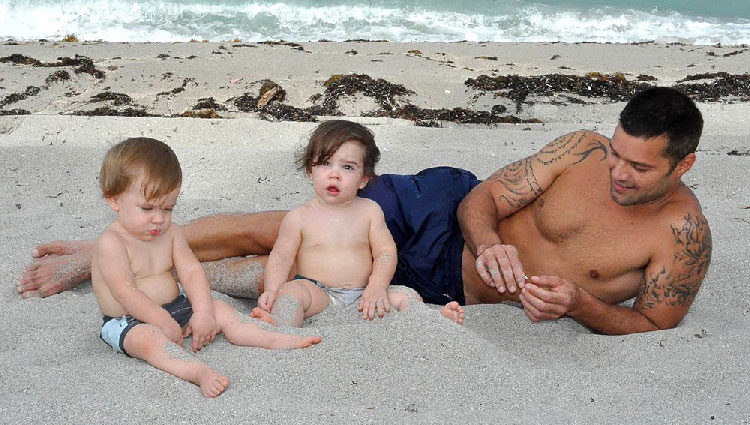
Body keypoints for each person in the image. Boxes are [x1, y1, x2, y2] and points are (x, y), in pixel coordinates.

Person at [18, 87, 711, 335]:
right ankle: (100, 249)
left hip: (442, 286)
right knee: (284, 226)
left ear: (683, 165)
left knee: (283, 271)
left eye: (638, 166)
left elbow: (654, 318)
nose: (616, 172)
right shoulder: (580, 150)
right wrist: (491, 239)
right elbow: (486, 196)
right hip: (441, 211)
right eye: (618, 152)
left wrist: (579, 306)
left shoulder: (682, 238)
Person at [91, 137, 320, 398]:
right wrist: (161, 320)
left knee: (221, 310)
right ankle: (198, 372)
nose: (159, 218)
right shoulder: (112, 242)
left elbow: (191, 272)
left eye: (168, 208)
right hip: (128, 320)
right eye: (147, 208)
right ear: (114, 201)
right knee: (150, 342)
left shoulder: (172, 232)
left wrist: (202, 313)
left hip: (176, 305)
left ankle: (273, 336)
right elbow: (125, 292)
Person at [249, 120, 464, 326]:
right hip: (318, 292)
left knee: (406, 295)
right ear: (310, 171)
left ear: (364, 179)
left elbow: (386, 252)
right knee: (292, 293)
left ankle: (432, 322)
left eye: (348, 168)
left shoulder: (370, 211)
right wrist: (272, 290)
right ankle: (278, 324)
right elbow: (281, 257)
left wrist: (377, 286)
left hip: (365, 294)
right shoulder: (298, 217)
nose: (335, 174)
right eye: (325, 163)